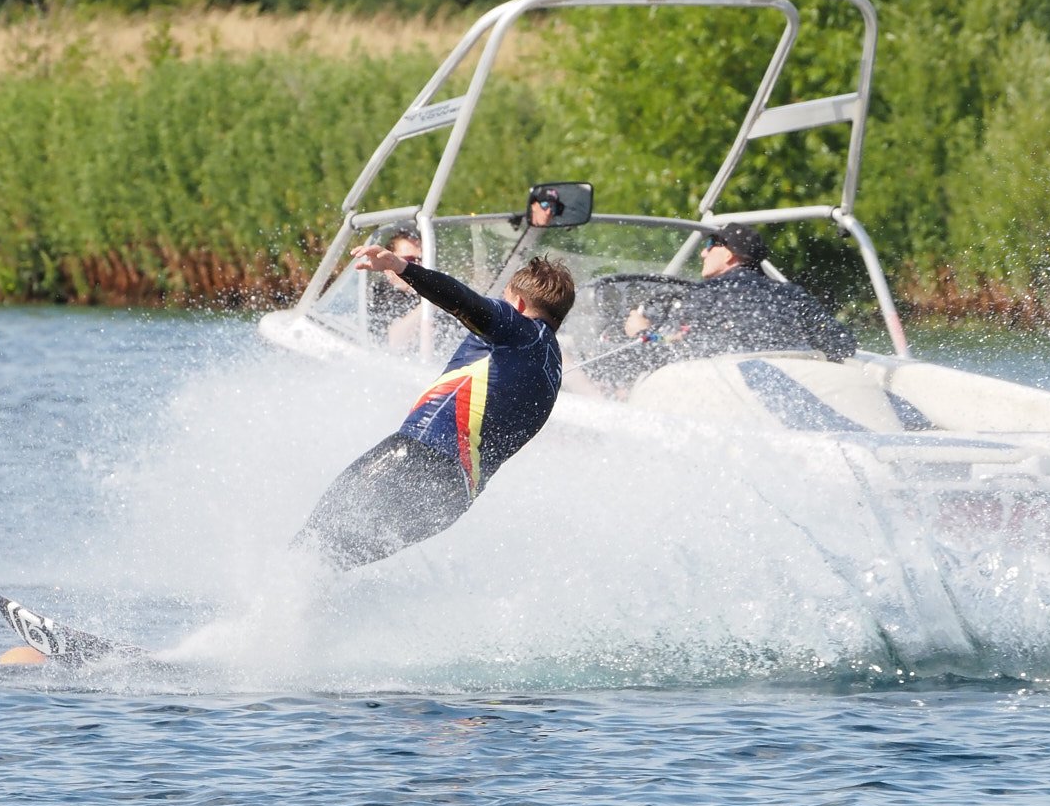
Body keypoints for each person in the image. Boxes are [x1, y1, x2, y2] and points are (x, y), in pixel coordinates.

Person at [294, 247, 576, 570]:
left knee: (311, 545)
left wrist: (404, 268)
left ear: (520, 304)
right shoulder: (552, 371)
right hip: (451, 499)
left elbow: (464, 301)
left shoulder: (520, 330)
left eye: (504, 297)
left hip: (418, 460)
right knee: (328, 564)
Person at [624, 222, 857, 362]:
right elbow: (843, 344)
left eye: (710, 245)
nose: (703, 253)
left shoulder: (704, 295)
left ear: (729, 254)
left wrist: (642, 333)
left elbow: (673, 354)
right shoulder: (791, 295)